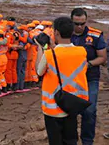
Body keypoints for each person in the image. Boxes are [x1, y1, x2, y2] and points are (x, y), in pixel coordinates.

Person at [36, 16, 89, 145]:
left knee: (55, 141)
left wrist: (40, 48)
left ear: (56, 33)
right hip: (72, 104)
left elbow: (39, 71)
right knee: (70, 140)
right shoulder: (82, 52)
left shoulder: (50, 54)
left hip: (53, 107)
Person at [70, 8, 107, 145]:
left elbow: (102, 57)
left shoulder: (95, 35)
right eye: (76, 24)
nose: (79, 27)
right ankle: (71, 140)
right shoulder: (66, 34)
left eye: (82, 23)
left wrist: (89, 64)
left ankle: (87, 141)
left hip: (90, 77)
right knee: (71, 110)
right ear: (71, 21)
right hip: (71, 79)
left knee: (89, 110)